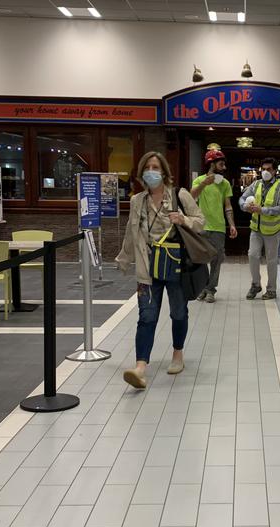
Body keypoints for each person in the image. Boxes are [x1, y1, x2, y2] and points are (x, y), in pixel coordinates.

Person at [116, 151, 205, 389]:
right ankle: (140, 368)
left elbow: (200, 221)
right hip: (147, 267)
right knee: (146, 316)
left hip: (175, 265)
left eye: (156, 167)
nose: (151, 172)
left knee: (178, 312)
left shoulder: (179, 195)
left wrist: (183, 220)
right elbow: (130, 231)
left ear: (164, 172)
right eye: (147, 168)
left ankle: (178, 354)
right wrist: (124, 259)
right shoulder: (137, 201)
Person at [191, 146, 238, 303]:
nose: (224, 168)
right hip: (201, 226)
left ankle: (211, 289)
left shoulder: (224, 183)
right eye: (221, 164)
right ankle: (202, 288)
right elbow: (191, 197)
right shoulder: (199, 181)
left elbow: (228, 206)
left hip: (218, 228)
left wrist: (231, 224)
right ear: (211, 164)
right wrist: (204, 183)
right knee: (200, 260)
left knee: (216, 261)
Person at [239, 157, 280, 300]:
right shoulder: (256, 184)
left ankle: (272, 289)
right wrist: (245, 206)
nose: (266, 172)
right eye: (264, 169)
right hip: (256, 229)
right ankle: (255, 284)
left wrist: (263, 210)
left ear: (274, 171)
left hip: (273, 231)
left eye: (269, 169)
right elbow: (242, 198)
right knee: (252, 255)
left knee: (271, 260)